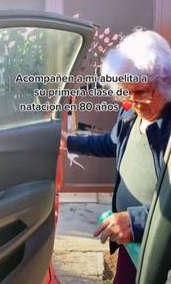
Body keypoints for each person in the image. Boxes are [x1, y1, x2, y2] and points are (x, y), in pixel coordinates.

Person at [66, 30, 171, 283]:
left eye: (142, 91)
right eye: (127, 92)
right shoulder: (130, 116)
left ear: (165, 82)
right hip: (131, 244)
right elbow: (110, 143)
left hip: (160, 251)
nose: (134, 101)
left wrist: (136, 222)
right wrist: (68, 143)